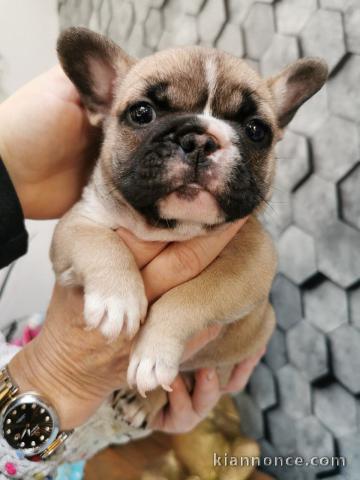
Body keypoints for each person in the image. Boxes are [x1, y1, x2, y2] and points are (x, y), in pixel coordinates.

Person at [0, 66, 264, 478]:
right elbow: (75, 238)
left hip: (205, 363)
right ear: (101, 105)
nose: (198, 146)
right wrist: (60, 371)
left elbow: (254, 275)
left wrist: (11, 166)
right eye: (144, 114)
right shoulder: (105, 201)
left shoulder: (241, 230)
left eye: (253, 130)